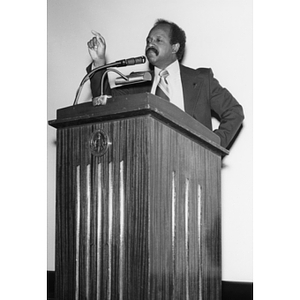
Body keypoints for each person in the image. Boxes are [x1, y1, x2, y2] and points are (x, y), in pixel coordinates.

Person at [86, 19, 244, 149]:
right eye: (148, 41)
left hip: (194, 166)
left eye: (158, 40)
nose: (150, 44)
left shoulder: (201, 80)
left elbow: (234, 111)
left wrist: (214, 145)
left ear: (174, 47)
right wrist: (99, 61)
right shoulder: (137, 84)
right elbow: (105, 104)